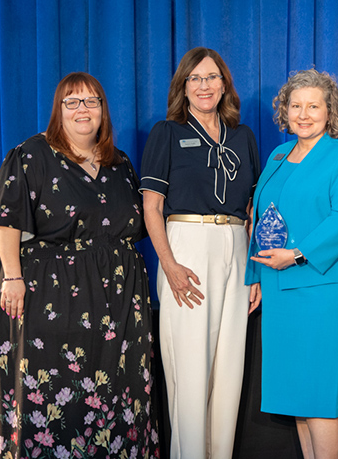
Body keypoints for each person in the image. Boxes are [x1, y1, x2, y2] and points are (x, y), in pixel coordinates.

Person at [0, 72, 159, 458]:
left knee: (117, 397)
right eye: (72, 102)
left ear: (103, 111)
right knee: (50, 400)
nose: (82, 109)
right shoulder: (32, 154)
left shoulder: (119, 163)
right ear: (59, 110)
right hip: (46, 297)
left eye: (91, 101)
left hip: (116, 304)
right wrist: (13, 278)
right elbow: (7, 221)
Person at [139, 47, 260, 459]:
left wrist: (255, 271)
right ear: (183, 87)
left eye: (211, 77)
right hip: (187, 246)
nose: (204, 85)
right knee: (190, 370)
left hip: (237, 248)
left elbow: (252, 209)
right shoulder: (167, 133)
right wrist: (169, 265)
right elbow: (151, 207)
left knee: (229, 370)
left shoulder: (243, 137)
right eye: (195, 78)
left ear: (224, 84)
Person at [245, 69, 338, 459]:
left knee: (321, 398)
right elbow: (262, 215)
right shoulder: (279, 155)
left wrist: (297, 255)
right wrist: (255, 276)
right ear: (285, 110)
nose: (303, 114)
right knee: (299, 399)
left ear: (330, 111)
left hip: (324, 287)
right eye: (295, 106)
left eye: (313, 106)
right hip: (280, 290)